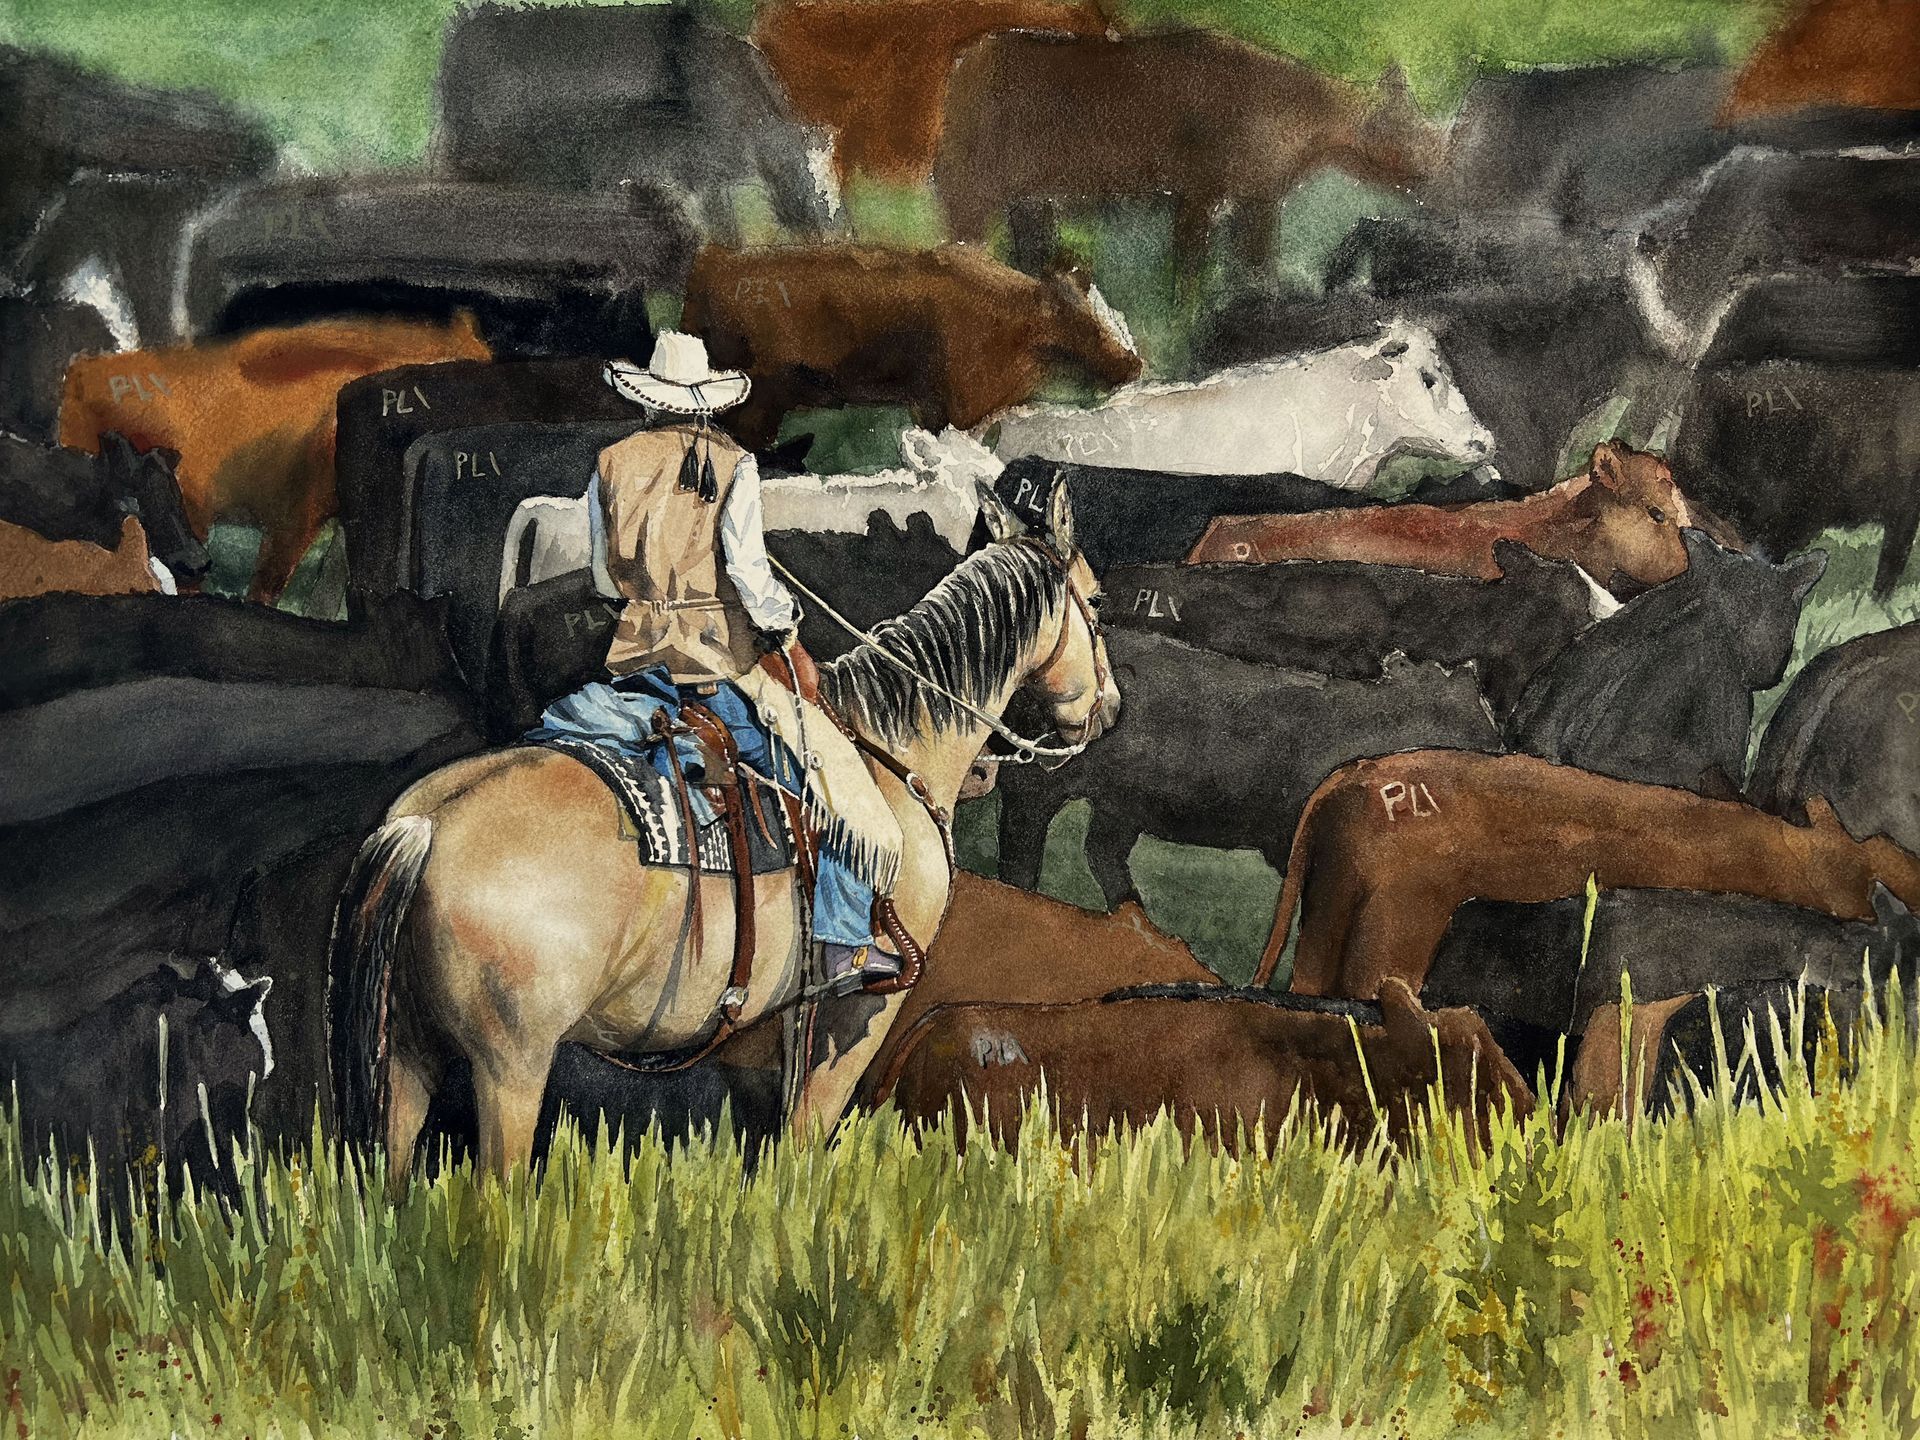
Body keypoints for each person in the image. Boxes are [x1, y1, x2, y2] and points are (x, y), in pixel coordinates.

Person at [532, 331, 906, 995]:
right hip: (712, 669)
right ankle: (843, 943)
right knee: (826, 780)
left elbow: (603, 579)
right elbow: (751, 576)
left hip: (633, 664)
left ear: (650, 398)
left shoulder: (611, 462)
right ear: (705, 401)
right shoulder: (734, 464)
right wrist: (785, 630)